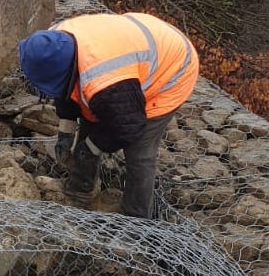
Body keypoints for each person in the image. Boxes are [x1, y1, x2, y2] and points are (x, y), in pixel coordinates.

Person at [17, 12, 199, 218]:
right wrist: (65, 132)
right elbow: (66, 91)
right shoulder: (53, 41)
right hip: (134, 46)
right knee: (90, 123)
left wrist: (92, 146)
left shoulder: (105, 83)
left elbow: (129, 127)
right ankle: (79, 190)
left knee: (139, 153)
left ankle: (136, 219)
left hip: (172, 69)